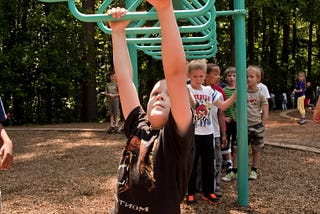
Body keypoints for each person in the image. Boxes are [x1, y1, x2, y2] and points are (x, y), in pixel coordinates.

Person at [107, 2, 195, 213]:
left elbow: (175, 74)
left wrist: (165, 9)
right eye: (155, 93)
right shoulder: (138, 125)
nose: (160, 98)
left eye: (170, 95)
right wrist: (118, 33)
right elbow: (125, 80)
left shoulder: (175, 138)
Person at [186, 59, 236, 205]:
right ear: (189, 76)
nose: (198, 79)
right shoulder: (187, 89)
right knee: (192, 164)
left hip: (208, 132)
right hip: (193, 132)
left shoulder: (209, 91)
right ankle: (191, 192)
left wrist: (236, 94)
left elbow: (223, 106)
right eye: (194, 76)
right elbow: (192, 105)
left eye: (201, 76)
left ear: (205, 76)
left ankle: (209, 192)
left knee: (209, 164)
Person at [223, 65, 268, 181]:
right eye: (247, 76)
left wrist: (262, 125)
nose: (248, 79)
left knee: (256, 149)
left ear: (258, 79)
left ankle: (254, 170)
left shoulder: (261, 94)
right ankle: (235, 171)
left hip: (256, 125)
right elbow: (236, 106)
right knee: (237, 148)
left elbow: (265, 112)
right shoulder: (242, 93)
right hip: (243, 126)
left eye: (251, 77)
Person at [203, 63, 227, 197]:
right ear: (206, 76)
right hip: (201, 133)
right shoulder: (196, 92)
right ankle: (201, 186)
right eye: (216, 74)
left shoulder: (218, 94)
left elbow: (220, 114)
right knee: (202, 161)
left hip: (216, 133)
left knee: (218, 161)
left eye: (219, 74)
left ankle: (215, 186)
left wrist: (223, 134)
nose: (219, 77)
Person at [221, 66, 237, 181]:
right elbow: (222, 106)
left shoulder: (240, 90)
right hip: (228, 121)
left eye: (234, 75)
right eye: (229, 75)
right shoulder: (224, 91)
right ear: (226, 78)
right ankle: (229, 162)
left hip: (238, 121)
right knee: (226, 140)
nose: (231, 78)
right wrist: (224, 117)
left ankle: (235, 163)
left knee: (235, 143)